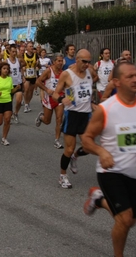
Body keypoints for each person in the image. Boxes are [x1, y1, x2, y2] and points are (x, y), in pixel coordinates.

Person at [82, 61, 136, 257]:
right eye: (129, 76)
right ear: (116, 82)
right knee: (124, 219)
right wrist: (102, 152)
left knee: (130, 220)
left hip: (134, 173)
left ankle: (99, 199)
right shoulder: (106, 109)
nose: (135, 79)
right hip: (110, 171)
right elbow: (86, 139)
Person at [53, 49, 97, 188]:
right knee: (69, 149)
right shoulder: (67, 74)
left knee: (89, 147)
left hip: (86, 115)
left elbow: (95, 80)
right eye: (84, 61)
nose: (87, 64)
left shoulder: (90, 72)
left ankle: (75, 157)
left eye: (89, 62)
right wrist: (62, 98)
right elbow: (55, 93)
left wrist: (91, 103)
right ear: (77, 60)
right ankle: (63, 175)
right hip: (72, 114)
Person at [0, 62, 21, 145]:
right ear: (0, 70)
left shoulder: (9, 79)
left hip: (7, 101)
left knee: (7, 120)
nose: (6, 70)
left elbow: (10, 91)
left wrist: (16, 88)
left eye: (7, 69)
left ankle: (4, 138)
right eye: (4, 68)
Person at [35, 53, 64, 149]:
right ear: (54, 62)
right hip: (49, 98)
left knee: (59, 119)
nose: (60, 63)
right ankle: (41, 117)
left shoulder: (63, 73)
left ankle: (57, 140)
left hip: (59, 98)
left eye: (61, 61)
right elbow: (38, 81)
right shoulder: (48, 71)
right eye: (58, 61)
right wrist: (46, 90)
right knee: (47, 121)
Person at [4, 45, 25, 124]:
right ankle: (10, 114)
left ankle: (16, 113)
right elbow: (3, 71)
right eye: (12, 51)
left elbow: (24, 63)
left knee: (19, 100)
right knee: (10, 101)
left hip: (18, 83)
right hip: (9, 84)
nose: (14, 53)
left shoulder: (18, 60)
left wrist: (22, 75)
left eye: (15, 51)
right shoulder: (6, 61)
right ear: (9, 52)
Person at [22, 42, 39, 113]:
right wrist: (23, 73)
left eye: (32, 46)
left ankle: (28, 102)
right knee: (26, 90)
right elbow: (21, 65)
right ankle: (26, 104)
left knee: (31, 91)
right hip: (26, 75)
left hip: (33, 75)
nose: (32, 47)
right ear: (27, 48)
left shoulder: (35, 55)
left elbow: (38, 65)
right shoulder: (23, 55)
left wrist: (37, 65)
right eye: (30, 46)